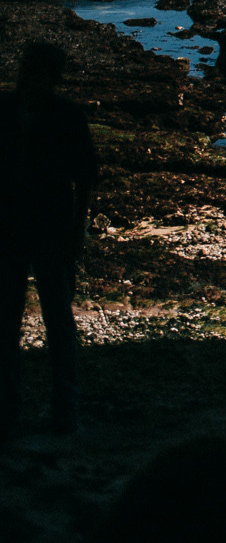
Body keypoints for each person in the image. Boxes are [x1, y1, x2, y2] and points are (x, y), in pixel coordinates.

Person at [2, 41, 97, 437]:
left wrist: (76, 233)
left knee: (56, 320)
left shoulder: (64, 117)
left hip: (48, 232)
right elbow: (87, 179)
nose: (30, 76)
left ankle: (63, 408)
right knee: (13, 323)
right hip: (15, 231)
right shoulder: (11, 111)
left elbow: (87, 179)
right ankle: (13, 411)